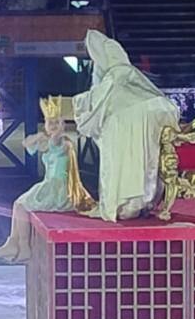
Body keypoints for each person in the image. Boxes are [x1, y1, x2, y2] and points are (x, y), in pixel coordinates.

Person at [72, 30, 179, 221]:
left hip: (129, 121)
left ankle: (125, 204)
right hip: (155, 113)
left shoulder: (114, 76)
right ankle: (142, 202)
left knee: (121, 153)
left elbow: (97, 103)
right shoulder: (130, 71)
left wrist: (76, 102)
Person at [0, 97, 94, 262]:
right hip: (49, 185)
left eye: (56, 122)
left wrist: (55, 132)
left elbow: (54, 141)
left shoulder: (63, 142)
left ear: (62, 124)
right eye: (49, 122)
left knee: (21, 206)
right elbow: (26, 144)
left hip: (60, 189)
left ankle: (23, 246)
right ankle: (14, 243)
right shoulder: (48, 142)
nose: (52, 125)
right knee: (18, 204)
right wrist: (39, 135)